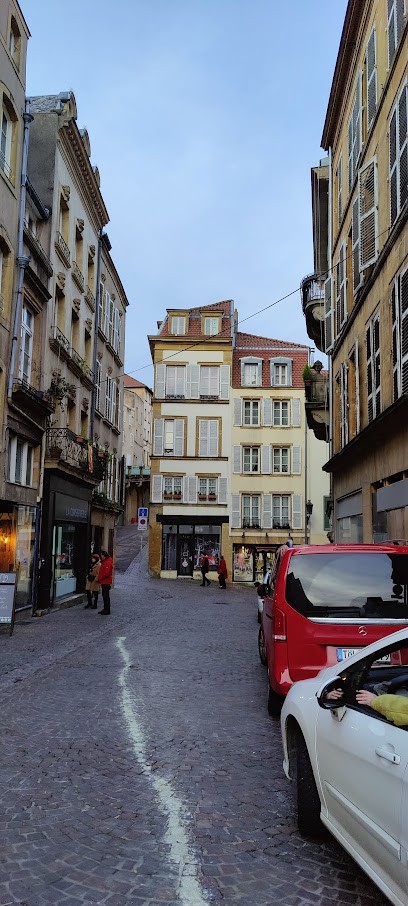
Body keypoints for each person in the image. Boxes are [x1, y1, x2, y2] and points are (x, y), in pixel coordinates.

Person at [98, 549, 113, 615]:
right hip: (104, 581)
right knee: (105, 596)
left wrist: (100, 577)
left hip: (105, 582)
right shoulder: (106, 561)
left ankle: (107, 610)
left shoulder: (107, 562)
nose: (101, 557)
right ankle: (105, 609)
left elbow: (106, 573)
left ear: (104, 555)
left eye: (101, 555)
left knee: (105, 596)